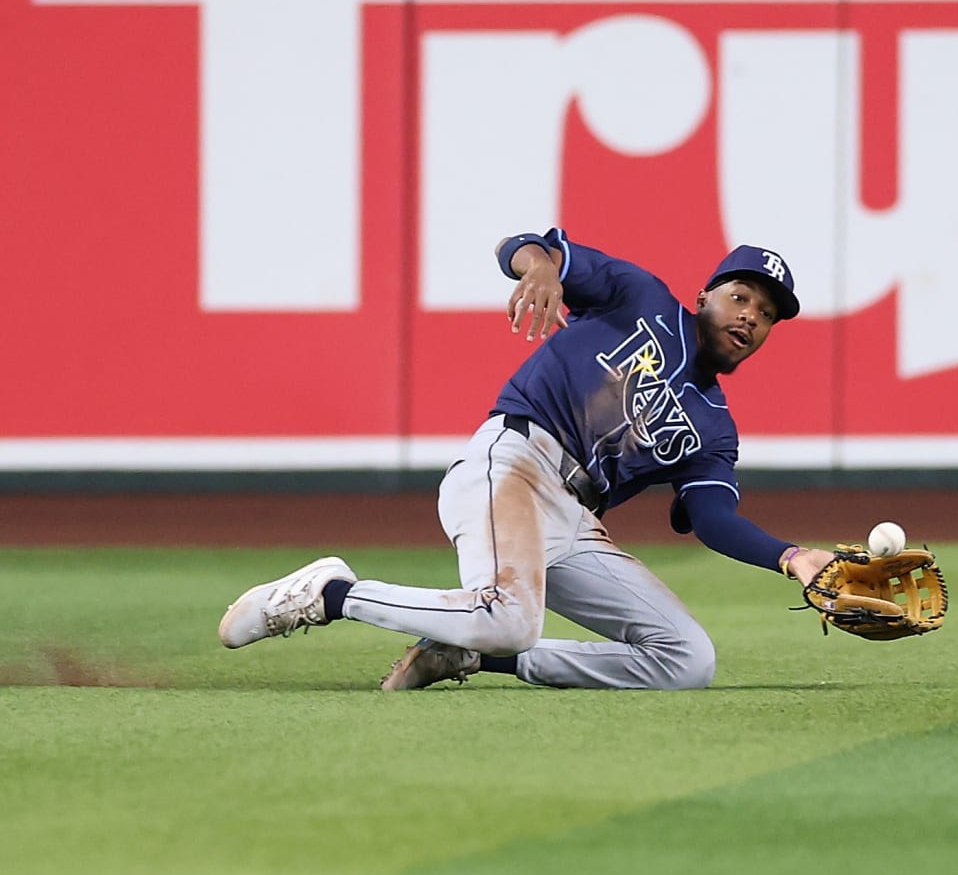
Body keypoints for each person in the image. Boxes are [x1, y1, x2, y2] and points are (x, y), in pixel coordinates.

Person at [218, 229, 844, 691]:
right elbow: (518, 247)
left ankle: (471, 654)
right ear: (706, 295)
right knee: (510, 617)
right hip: (515, 463)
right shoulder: (641, 298)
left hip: (573, 518)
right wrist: (542, 266)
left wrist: (793, 557)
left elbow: (712, 519)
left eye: (767, 315)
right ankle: (329, 594)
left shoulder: (714, 429)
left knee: (686, 660)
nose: (750, 317)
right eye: (740, 297)